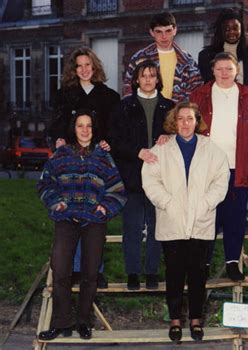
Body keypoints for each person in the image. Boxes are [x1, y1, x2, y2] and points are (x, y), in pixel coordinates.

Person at [142, 102, 229, 343]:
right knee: (174, 273)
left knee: (198, 273)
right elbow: (149, 179)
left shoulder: (210, 149)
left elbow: (221, 179)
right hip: (172, 220)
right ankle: (175, 321)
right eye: (180, 119)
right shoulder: (161, 148)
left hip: (201, 220)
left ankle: (196, 320)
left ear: (197, 121)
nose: (185, 123)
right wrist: (167, 202)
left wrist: (206, 203)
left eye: (190, 118)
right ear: (174, 121)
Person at [37, 110, 126, 341]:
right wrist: (56, 203)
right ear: (73, 129)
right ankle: (61, 322)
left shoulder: (103, 157)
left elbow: (117, 190)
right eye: (80, 126)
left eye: (88, 126)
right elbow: (45, 184)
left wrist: (104, 208)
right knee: (60, 271)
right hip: (66, 219)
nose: (85, 130)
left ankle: (84, 322)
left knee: (90, 273)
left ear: (93, 129)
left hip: (94, 221)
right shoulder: (60, 155)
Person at [190, 52, 248, 281]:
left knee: (235, 216)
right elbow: (185, 127)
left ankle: (233, 262)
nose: (224, 73)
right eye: (220, 69)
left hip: (239, 166)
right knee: (206, 214)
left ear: (237, 71)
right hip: (208, 167)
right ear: (212, 71)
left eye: (229, 69)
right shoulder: (200, 95)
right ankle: (202, 262)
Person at [48, 46, 120, 289]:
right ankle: (75, 268)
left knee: (95, 214)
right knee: (73, 214)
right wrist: (57, 140)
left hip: (97, 162)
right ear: (73, 69)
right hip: (71, 162)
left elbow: (112, 128)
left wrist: (109, 141)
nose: (84, 69)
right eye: (79, 65)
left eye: (88, 64)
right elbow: (56, 125)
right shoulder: (64, 95)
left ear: (95, 66)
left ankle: (95, 269)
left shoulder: (109, 96)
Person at [108, 60, 174, 290]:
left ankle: (152, 272)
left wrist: (169, 135)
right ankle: (133, 272)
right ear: (136, 79)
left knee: (158, 226)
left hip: (161, 178)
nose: (148, 80)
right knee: (132, 226)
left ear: (158, 79)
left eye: (152, 75)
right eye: (143, 75)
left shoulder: (170, 107)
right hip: (132, 175)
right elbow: (115, 141)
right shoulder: (123, 106)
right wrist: (137, 152)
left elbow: (181, 135)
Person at [123, 11, 202, 100]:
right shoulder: (140, 58)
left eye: (168, 31)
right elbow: (128, 89)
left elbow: (196, 92)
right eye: (159, 32)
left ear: (175, 30)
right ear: (152, 32)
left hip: (177, 111)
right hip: (146, 110)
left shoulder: (188, 61)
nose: (164, 36)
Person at [198, 7, 248, 94]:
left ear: (241, 29)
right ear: (220, 30)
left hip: (245, 105)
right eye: (227, 29)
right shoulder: (206, 56)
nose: (231, 32)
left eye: (235, 28)